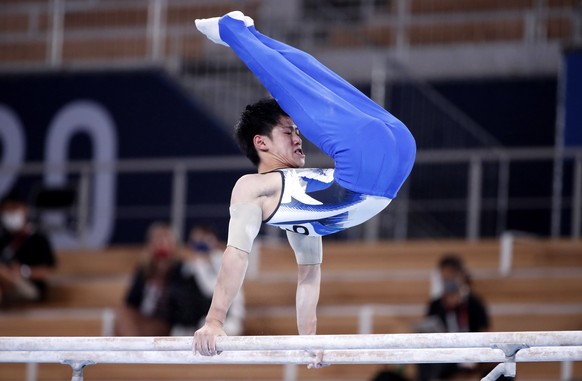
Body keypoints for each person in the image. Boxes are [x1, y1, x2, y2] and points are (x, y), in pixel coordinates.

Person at [192, 11, 416, 366]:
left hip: (369, 162)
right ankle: (246, 33)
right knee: (307, 82)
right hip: (398, 155)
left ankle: (237, 31)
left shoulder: (287, 190)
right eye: (288, 132)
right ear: (261, 143)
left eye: (297, 131)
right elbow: (302, 271)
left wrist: (215, 321)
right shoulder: (254, 188)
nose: (299, 139)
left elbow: (249, 257)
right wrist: (307, 339)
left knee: (307, 79)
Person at [416, 254, 490, 381]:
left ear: (460, 275)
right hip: (446, 354)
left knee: (503, 370)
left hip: (472, 352)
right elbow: (428, 331)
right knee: (424, 356)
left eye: (450, 276)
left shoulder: (474, 303)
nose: (446, 280)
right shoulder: (436, 305)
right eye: (443, 278)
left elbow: (485, 332)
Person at [170, 224, 245, 336]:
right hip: (192, 321)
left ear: (213, 242)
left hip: (226, 318)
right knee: (178, 331)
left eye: (203, 241)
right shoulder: (187, 266)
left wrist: (201, 264)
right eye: (196, 242)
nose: (200, 245)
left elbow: (211, 291)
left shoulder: (223, 260)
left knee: (215, 331)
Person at [114, 222, 182, 336]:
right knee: (124, 314)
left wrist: (165, 271)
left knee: (145, 327)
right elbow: (130, 301)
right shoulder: (144, 270)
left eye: (166, 241)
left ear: (173, 246)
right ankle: (135, 348)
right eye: (158, 241)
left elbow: (181, 305)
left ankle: (136, 349)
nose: (162, 246)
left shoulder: (181, 270)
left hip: (165, 320)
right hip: (143, 317)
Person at [0, 189, 57, 306]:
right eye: (6, 210)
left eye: (14, 208)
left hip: (29, 288)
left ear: (25, 209)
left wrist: (21, 271)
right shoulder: (3, 239)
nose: (10, 213)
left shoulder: (38, 239)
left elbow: (45, 272)